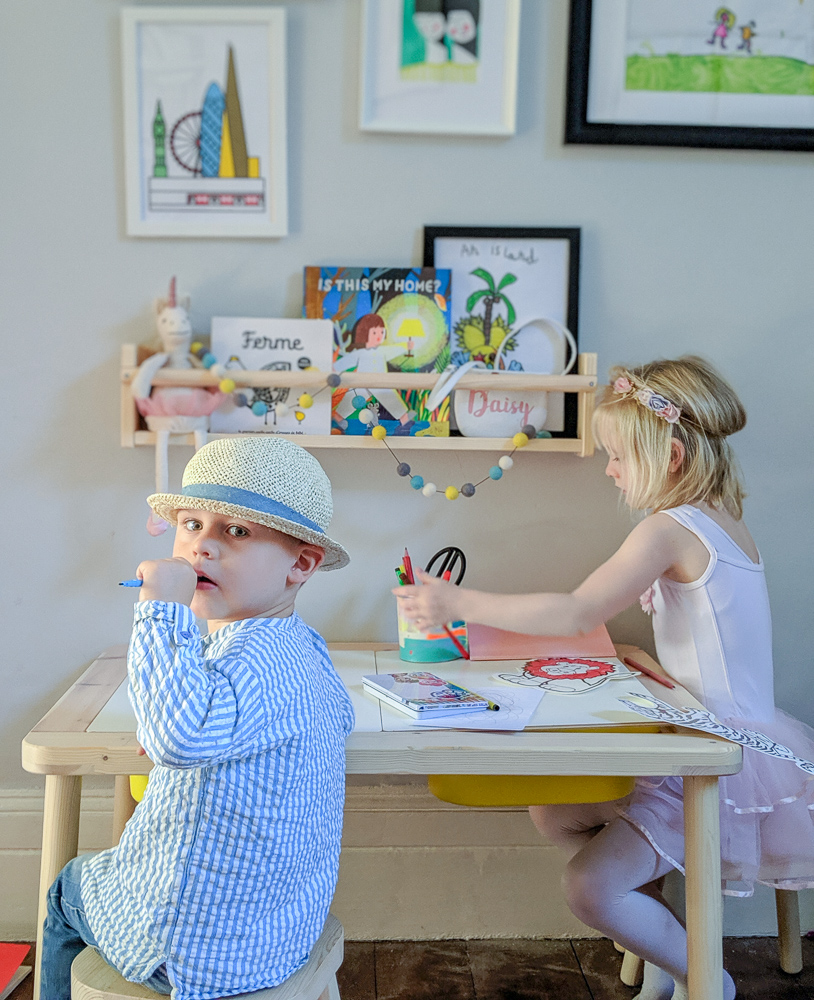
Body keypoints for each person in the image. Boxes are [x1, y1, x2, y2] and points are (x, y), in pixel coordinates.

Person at [395, 356, 814, 1000]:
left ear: (670, 455)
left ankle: (708, 979)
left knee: (589, 888)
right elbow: (719, 644)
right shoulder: (722, 520)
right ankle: (663, 963)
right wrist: (656, 669)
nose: (612, 470)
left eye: (617, 456)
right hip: (696, 720)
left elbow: (575, 611)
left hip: (714, 751)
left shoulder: (668, 529)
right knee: (552, 810)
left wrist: (458, 603)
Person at [41, 436, 354, 1000]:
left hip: (192, 948)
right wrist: (182, 732)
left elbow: (176, 740)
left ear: (300, 563)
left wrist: (159, 609)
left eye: (236, 532)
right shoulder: (301, 650)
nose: (199, 549)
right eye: (191, 524)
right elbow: (241, 729)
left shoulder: (248, 660)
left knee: (66, 889)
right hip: (277, 931)